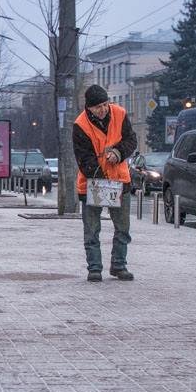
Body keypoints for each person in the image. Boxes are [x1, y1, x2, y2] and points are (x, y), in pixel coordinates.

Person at [73, 84, 137, 282]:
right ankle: (94, 268)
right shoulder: (80, 125)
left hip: (120, 181)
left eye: (105, 104)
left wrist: (117, 153)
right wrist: (100, 173)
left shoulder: (119, 114)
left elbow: (131, 140)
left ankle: (119, 265)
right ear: (89, 108)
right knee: (92, 230)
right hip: (92, 184)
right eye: (97, 107)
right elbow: (83, 158)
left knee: (123, 228)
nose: (103, 110)